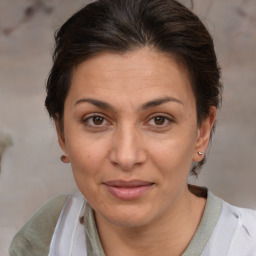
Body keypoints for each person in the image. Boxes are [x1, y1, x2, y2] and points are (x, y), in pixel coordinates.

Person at [9, 0, 256, 255]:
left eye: (159, 120)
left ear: (201, 132)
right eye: (96, 119)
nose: (126, 157)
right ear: (62, 133)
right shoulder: (46, 238)